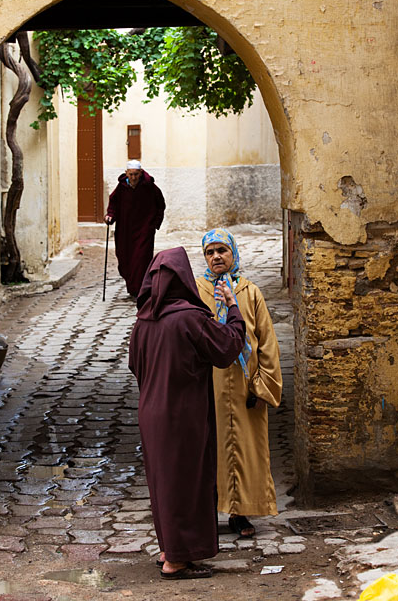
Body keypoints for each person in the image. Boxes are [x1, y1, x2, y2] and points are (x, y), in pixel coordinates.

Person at [129, 247, 246, 580]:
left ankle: (170, 547)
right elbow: (226, 348)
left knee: (164, 483)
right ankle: (177, 560)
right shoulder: (189, 319)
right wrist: (232, 306)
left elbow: (135, 366)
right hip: (183, 416)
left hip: (151, 413)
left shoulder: (143, 322)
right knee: (187, 484)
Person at [195, 228, 282, 539]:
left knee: (246, 449)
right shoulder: (197, 291)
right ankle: (207, 512)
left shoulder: (250, 292)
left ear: (233, 254)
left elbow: (267, 343)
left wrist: (263, 386)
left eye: (222, 250)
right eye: (210, 252)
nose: (217, 256)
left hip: (246, 386)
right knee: (209, 449)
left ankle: (240, 511)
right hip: (210, 388)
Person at [104, 159, 165, 297]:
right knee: (125, 258)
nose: (133, 178)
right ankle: (133, 288)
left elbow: (160, 204)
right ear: (126, 173)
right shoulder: (121, 188)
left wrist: (154, 224)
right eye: (131, 174)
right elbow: (113, 204)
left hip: (144, 230)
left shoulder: (149, 187)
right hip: (125, 230)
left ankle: (140, 290)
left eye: (136, 174)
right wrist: (110, 216)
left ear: (141, 173)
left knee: (141, 259)